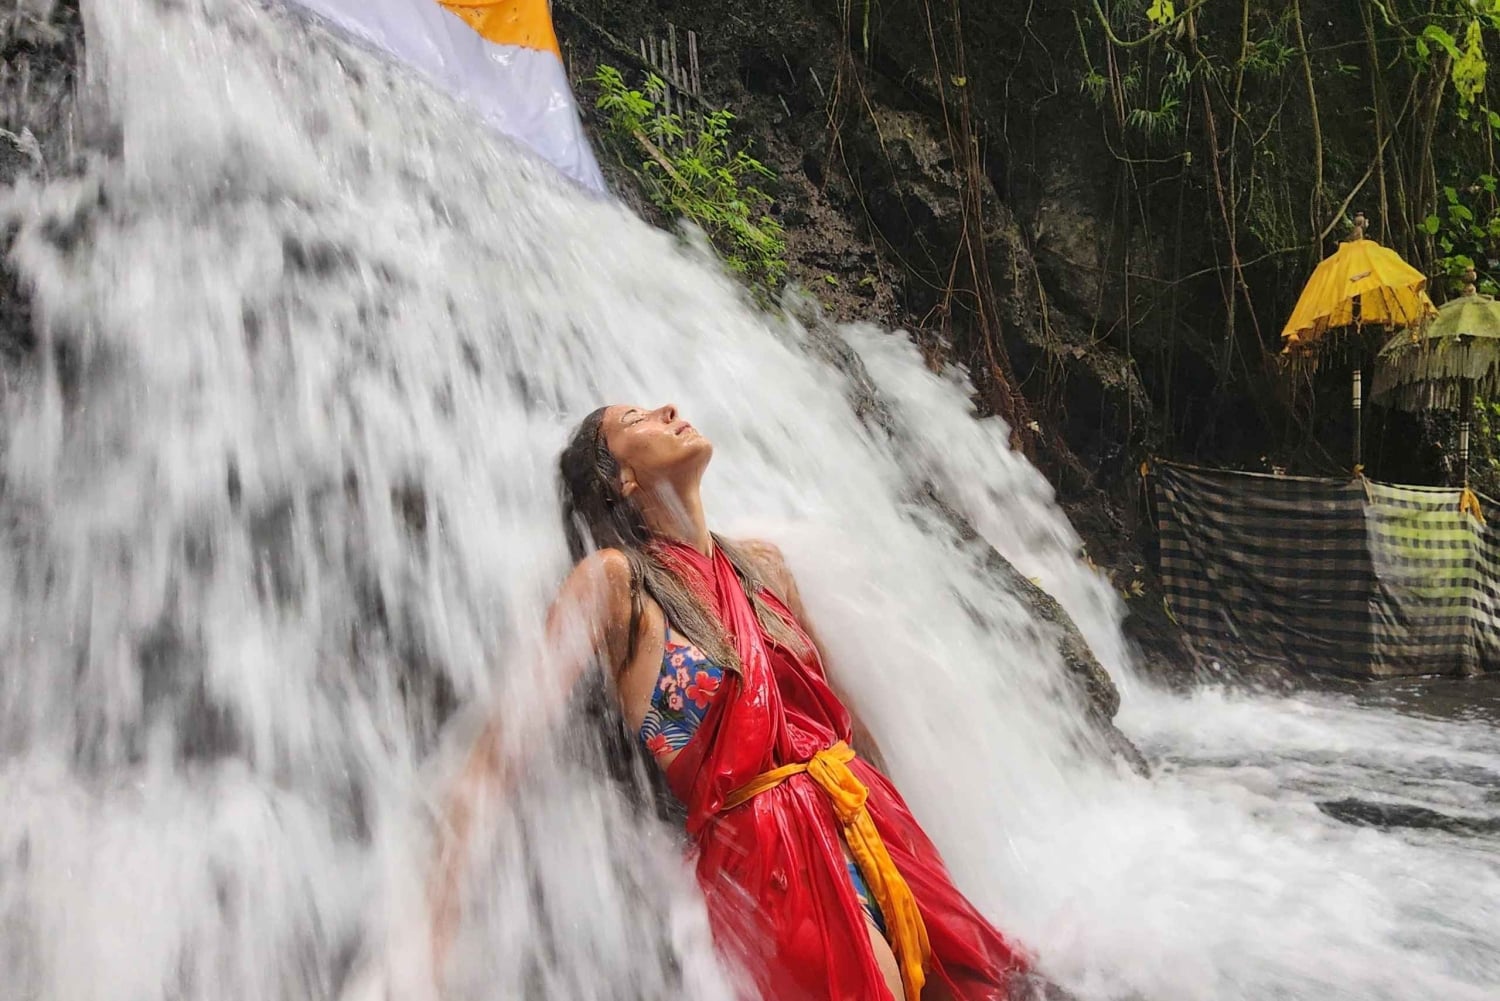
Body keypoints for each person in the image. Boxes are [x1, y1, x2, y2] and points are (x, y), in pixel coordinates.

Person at [429, 403, 1032, 1000]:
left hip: (870, 817)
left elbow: (845, 721)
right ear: (623, 480)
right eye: (636, 419)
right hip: (766, 853)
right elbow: (499, 751)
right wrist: (435, 931)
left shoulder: (764, 567)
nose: (667, 409)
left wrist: (914, 828)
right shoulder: (613, 583)